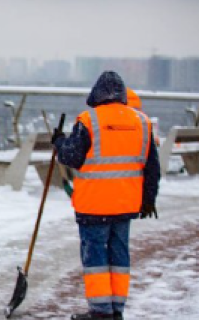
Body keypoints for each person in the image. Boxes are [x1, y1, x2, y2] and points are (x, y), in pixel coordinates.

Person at [52, 71, 160, 320]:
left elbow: (72, 158)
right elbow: (152, 166)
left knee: (96, 258)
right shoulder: (142, 122)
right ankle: (116, 310)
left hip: (94, 205)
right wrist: (148, 198)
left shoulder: (88, 120)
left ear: (96, 94)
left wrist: (59, 143)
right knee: (119, 256)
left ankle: (100, 312)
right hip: (125, 204)